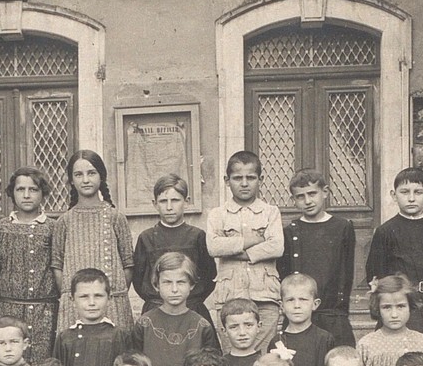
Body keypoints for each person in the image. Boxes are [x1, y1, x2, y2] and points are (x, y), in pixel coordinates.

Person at [365, 167, 423, 361]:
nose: (411, 198)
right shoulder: (386, 231)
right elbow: (375, 272)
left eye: (418, 192)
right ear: (394, 195)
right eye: (405, 192)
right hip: (401, 302)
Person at [207, 150, 284, 353]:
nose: (244, 183)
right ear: (227, 181)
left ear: (260, 180)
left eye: (250, 178)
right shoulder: (217, 214)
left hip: (265, 297)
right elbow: (214, 247)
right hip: (230, 296)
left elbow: (277, 246)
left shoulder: (271, 212)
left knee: (263, 356)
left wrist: (238, 251)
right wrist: (254, 240)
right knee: (232, 355)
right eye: (237, 178)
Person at [52, 150, 135, 332]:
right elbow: (57, 266)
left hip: (112, 303)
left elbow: (128, 264)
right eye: (78, 175)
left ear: (101, 176)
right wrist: (73, 297)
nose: (85, 180)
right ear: (71, 180)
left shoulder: (115, 217)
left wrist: (111, 295)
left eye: (91, 173)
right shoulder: (64, 221)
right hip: (75, 306)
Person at [130, 252, 219, 366]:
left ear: (191, 285)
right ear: (156, 285)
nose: (174, 289)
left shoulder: (201, 325)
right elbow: (135, 364)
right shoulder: (145, 323)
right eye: (167, 282)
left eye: (181, 282)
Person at [277, 170, 357, 346]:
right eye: (300, 196)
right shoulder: (290, 231)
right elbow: (285, 274)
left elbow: (346, 272)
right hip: (301, 314)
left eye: (312, 194)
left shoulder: (342, 227)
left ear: (325, 192)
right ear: (293, 200)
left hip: (333, 313)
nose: (307, 201)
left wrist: (341, 310)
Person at [0, 167, 60, 364]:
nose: (27, 195)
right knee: (10, 360)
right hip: (9, 309)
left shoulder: (53, 227)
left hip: (45, 311)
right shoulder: (1, 228)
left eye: (33, 189)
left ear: (43, 193)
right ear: (12, 192)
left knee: (42, 364)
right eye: (21, 189)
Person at [132, 174, 217, 327]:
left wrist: (191, 298)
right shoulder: (146, 238)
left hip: (192, 307)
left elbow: (209, 276)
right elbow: (138, 280)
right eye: (163, 201)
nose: (169, 207)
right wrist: (158, 299)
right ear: (155, 204)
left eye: (175, 200)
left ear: (186, 202)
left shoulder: (197, 236)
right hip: (156, 308)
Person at [269, 273, 335, 366]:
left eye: (303, 299)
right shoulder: (277, 341)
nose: (297, 305)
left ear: (315, 304)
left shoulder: (325, 339)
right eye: (290, 300)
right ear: (281, 306)